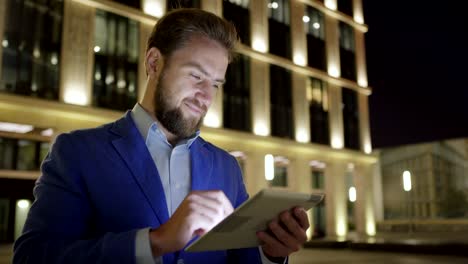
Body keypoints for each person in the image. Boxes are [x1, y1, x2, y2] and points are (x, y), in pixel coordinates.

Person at [13, 8, 310, 264]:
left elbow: (241, 259)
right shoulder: (77, 152)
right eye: (196, 76)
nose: (206, 96)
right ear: (154, 63)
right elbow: (33, 256)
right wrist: (155, 242)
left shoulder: (227, 167)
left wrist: (270, 253)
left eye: (216, 84)